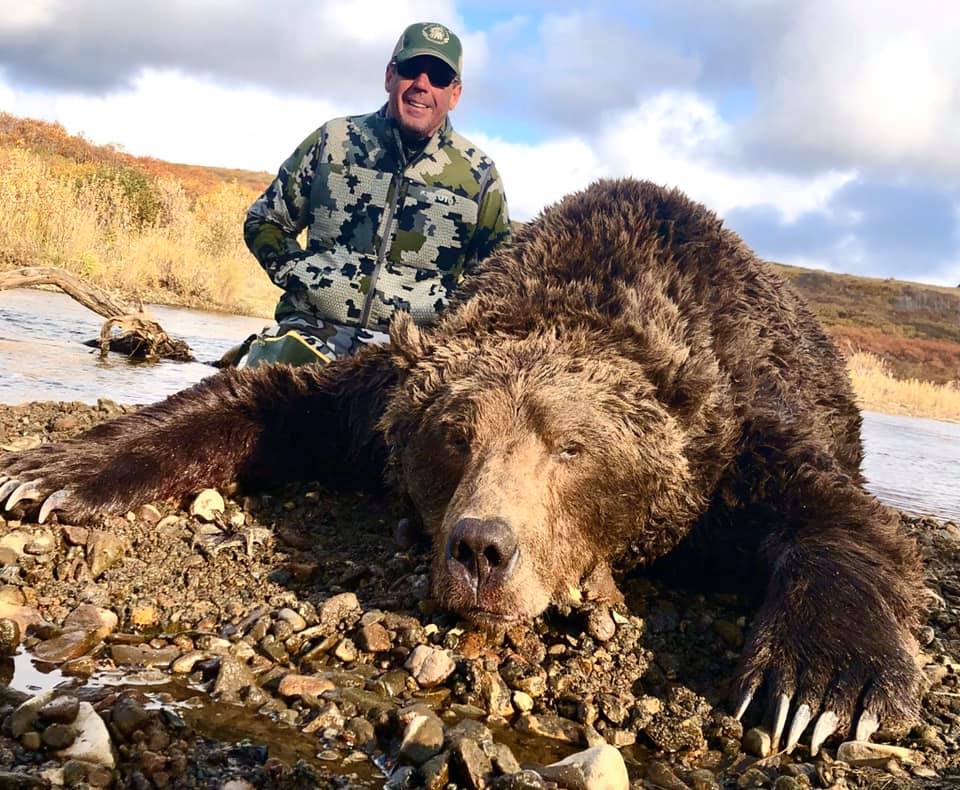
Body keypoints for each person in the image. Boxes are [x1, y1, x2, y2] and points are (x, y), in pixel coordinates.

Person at [237, 21, 511, 367]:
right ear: (389, 76)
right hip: (310, 332)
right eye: (411, 70)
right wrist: (302, 274)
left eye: (438, 77)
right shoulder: (334, 141)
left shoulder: (479, 175)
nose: (422, 86)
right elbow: (264, 221)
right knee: (251, 403)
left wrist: (448, 332)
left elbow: (497, 281)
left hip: (413, 356)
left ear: (454, 94)